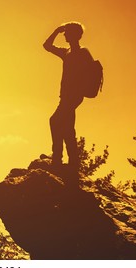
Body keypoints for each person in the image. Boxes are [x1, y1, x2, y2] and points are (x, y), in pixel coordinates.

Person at [43, 22, 93, 169]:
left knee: (54, 121)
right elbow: (47, 46)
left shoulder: (83, 52)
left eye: (66, 32)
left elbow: (90, 73)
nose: (64, 34)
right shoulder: (67, 52)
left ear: (74, 34)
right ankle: (72, 161)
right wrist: (56, 31)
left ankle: (57, 158)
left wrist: (79, 88)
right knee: (67, 128)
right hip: (65, 96)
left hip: (73, 96)